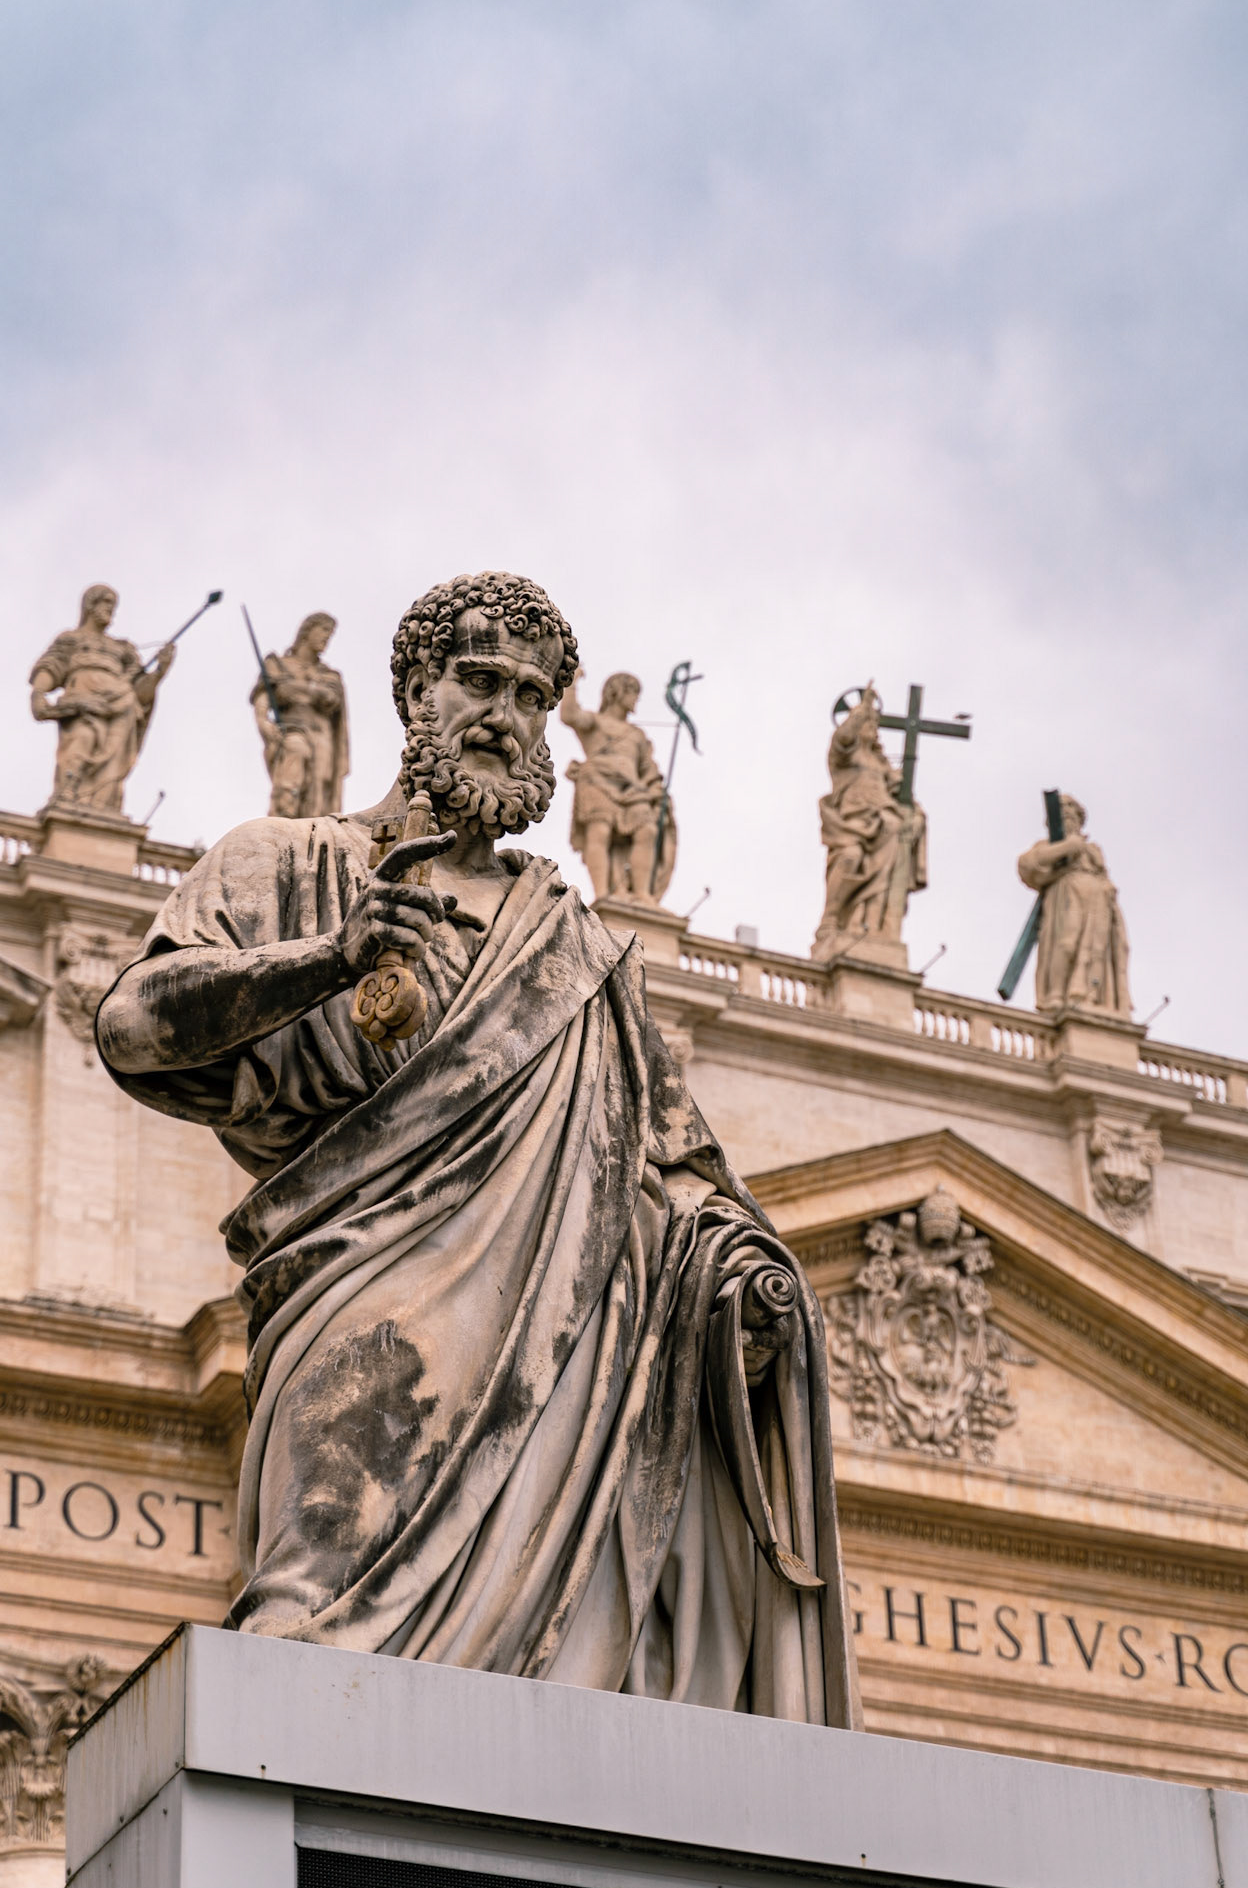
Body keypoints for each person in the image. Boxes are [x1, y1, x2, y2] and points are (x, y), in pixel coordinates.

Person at [96, 572, 858, 1727]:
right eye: (481, 680)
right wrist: (325, 962)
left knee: (552, 1718)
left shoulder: (580, 953)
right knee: (304, 1636)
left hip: (564, 1380)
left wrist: (742, 1285)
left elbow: (677, 1173)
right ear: (417, 691)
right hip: (363, 1319)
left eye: (534, 695)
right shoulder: (290, 862)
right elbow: (132, 1026)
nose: (507, 714)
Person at [30, 585, 175, 813]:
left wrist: (159, 672)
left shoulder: (122, 649)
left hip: (121, 706)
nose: (111, 611)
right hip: (83, 705)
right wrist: (38, 694)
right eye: (106, 603)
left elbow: (139, 691)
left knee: (113, 766)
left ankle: (102, 809)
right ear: (90, 605)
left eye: (112, 605)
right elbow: (52, 666)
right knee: (81, 741)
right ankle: (69, 798)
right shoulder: (72, 639)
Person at [813, 687, 926, 959]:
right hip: (851, 823)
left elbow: (901, 792)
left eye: (876, 724)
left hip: (885, 826)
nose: (874, 729)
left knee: (885, 872)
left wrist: (915, 812)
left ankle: (872, 927)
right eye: (870, 724)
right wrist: (860, 710)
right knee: (851, 857)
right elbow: (842, 739)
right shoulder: (844, 757)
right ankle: (832, 918)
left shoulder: (881, 763)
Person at [560, 671, 672, 902]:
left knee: (648, 831)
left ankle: (641, 893)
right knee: (600, 831)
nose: (635, 700)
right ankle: (603, 894)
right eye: (632, 693)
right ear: (617, 692)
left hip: (632, 790)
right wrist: (572, 682)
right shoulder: (595, 721)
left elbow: (648, 769)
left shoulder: (637, 735)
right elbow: (569, 715)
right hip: (596, 782)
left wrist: (655, 790)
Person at [1018, 794, 1131, 1015]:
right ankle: (1056, 996)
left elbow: (1103, 874)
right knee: (1067, 943)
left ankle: (1089, 998)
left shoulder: (1093, 850)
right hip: (1067, 895)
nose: (1067, 813)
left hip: (1098, 899)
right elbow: (1027, 865)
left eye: (1071, 809)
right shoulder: (1047, 847)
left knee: (1096, 949)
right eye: (1062, 811)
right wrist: (1067, 847)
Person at [251, 611, 350, 818]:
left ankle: (311, 837)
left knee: (319, 791)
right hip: (292, 729)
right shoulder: (277, 665)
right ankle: (280, 825)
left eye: (330, 635)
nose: (326, 638)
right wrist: (263, 723)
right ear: (307, 630)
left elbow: (332, 699)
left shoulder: (329, 675)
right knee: (295, 758)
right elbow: (263, 699)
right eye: (323, 631)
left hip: (323, 737)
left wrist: (296, 689)